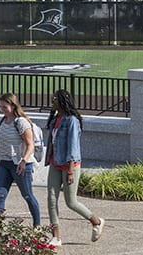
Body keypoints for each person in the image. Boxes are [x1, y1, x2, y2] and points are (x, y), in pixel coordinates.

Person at [45, 89, 104, 247]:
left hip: (70, 165)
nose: (52, 101)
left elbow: (73, 147)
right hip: (55, 163)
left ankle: (96, 221)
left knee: (71, 202)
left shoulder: (71, 120)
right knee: (51, 199)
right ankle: (56, 237)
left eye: (55, 99)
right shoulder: (55, 119)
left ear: (63, 101)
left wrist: (70, 170)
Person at [0, 93, 44, 226]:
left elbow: (30, 144)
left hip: (20, 165)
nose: (2, 109)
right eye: (0, 106)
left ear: (13, 106)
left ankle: (37, 225)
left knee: (27, 195)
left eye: (5, 107)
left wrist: (24, 161)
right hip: (5, 162)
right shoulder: (3, 120)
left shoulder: (20, 122)